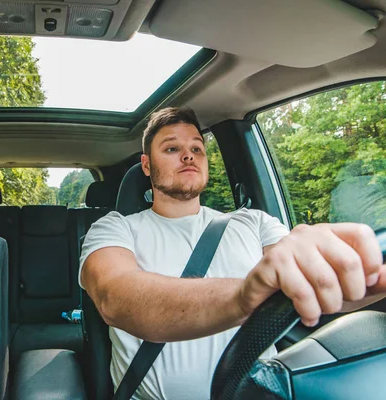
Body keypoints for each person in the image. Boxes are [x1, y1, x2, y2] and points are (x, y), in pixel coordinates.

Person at [80, 107, 386, 400]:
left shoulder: (254, 222)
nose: (189, 155)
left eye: (197, 149)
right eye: (172, 149)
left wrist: (365, 272)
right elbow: (116, 297)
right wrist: (245, 294)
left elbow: (317, 281)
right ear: (147, 166)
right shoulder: (113, 228)